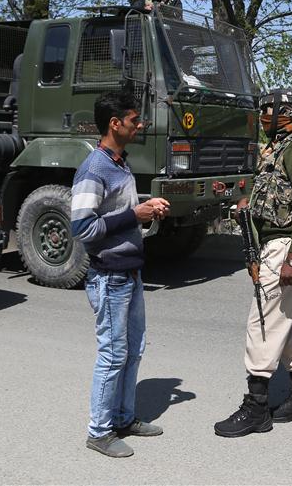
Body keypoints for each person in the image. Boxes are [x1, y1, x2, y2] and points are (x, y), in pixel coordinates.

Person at [214, 88, 292, 438]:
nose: (262, 119)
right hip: (277, 245)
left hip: (285, 247)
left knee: (262, 322)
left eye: (267, 112)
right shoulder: (278, 146)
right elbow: (271, 195)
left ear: (285, 113)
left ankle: (256, 407)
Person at [72, 89, 170, 457]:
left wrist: (145, 207)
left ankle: (124, 418)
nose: (140, 124)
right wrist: (135, 215)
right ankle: (99, 432)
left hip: (130, 272)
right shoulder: (93, 169)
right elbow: (82, 229)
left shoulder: (119, 163)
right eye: (134, 119)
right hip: (109, 275)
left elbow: (119, 213)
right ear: (115, 124)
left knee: (134, 349)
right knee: (113, 354)